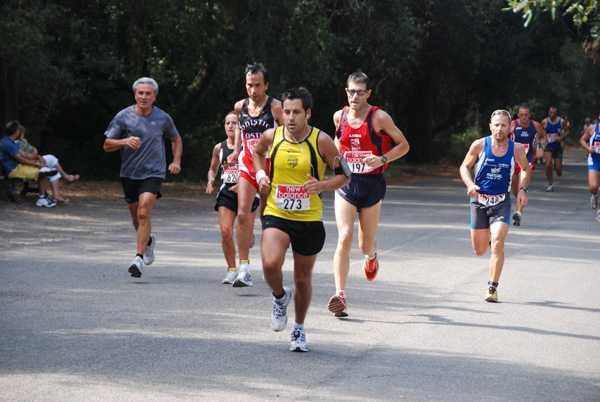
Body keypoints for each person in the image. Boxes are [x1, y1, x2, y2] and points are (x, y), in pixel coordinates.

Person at [253, 87, 350, 352]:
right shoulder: (272, 136)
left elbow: (346, 175)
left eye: (296, 112)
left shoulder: (322, 141)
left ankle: (298, 328)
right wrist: (261, 175)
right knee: (270, 263)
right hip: (277, 212)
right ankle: (279, 297)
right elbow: (257, 154)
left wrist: (323, 186)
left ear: (307, 113)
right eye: (286, 112)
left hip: (309, 218)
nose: (291, 117)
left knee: (302, 279)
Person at [327, 72, 410, 318]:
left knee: (364, 244)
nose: (355, 96)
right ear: (346, 92)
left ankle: (372, 256)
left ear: (368, 94)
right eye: (351, 91)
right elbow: (338, 140)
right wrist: (338, 160)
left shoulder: (379, 117)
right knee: (344, 237)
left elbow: (404, 145)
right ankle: (340, 295)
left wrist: (382, 159)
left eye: (360, 92)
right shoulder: (339, 116)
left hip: (372, 184)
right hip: (347, 184)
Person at [103, 77, 182, 278]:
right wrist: (124, 141)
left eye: (148, 93)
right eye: (140, 93)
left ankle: (138, 258)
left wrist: (176, 161)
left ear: (155, 96)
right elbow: (107, 145)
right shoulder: (123, 116)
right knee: (135, 216)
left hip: (153, 172)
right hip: (129, 173)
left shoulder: (163, 118)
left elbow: (176, 139)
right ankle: (148, 240)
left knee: (144, 212)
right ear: (135, 95)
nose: (144, 97)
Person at [459, 110, 531, 302]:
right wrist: (469, 184)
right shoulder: (480, 144)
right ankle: (490, 242)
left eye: (504, 125)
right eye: (496, 125)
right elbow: (464, 166)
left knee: (498, 243)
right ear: (490, 126)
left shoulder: (516, 149)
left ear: (510, 127)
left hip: (501, 202)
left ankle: (492, 288)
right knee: (480, 250)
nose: (500, 129)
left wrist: (522, 188)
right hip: (479, 201)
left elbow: (525, 168)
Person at [228, 63, 284, 288]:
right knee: (242, 215)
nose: (253, 90)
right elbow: (240, 128)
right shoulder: (240, 106)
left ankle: (271, 262)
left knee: (265, 218)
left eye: (258, 85)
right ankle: (244, 268)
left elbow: (286, 132)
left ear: (266, 85)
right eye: (249, 85)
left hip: (270, 166)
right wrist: (236, 150)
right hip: (247, 165)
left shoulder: (276, 107)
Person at [206, 111, 259, 284]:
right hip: (227, 192)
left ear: (240, 127)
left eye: (234, 123)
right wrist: (211, 179)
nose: (230, 126)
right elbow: (213, 168)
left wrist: (244, 184)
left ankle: (248, 249)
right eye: (227, 123)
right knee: (226, 231)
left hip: (248, 190)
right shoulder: (219, 148)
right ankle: (232, 270)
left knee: (245, 233)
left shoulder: (248, 146)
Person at [14, 125, 79, 203]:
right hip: (27, 164)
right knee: (52, 159)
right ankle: (65, 178)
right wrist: (26, 143)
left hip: (27, 162)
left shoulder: (14, 142)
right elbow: (34, 151)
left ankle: (56, 195)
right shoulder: (17, 142)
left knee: (53, 168)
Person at [0, 121, 57, 207]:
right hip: (13, 170)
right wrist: (38, 164)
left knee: (45, 170)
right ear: (16, 131)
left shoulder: (9, 141)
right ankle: (42, 198)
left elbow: (25, 154)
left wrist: (37, 157)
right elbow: (21, 159)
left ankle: (43, 197)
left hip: (16, 167)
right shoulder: (8, 143)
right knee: (43, 171)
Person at [509, 103, 546, 226]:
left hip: (527, 160)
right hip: (513, 160)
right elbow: (503, 137)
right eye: (521, 115)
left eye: (526, 115)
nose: (524, 117)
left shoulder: (535, 126)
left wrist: (542, 148)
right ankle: (518, 203)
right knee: (515, 189)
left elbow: (544, 136)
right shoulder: (513, 125)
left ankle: (518, 213)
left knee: (521, 187)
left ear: (529, 115)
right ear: (518, 114)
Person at [541, 106, 571, 192]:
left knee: (558, 168)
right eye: (551, 113)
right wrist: (543, 140)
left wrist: (561, 137)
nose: (552, 114)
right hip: (548, 147)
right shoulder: (544, 122)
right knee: (548, 164)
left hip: (558, 147)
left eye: (554, 113)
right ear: (548, 112)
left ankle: (558, 170)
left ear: (556, 113)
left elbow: (567, 131)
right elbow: (540, 133)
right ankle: (550, 184)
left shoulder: (561, 121)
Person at [579, 112, 600, 221]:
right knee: (593, 187)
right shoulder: (592, 128)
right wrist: (588, 148)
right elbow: (582, 140)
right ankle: (594, 195)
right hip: (594, 160)